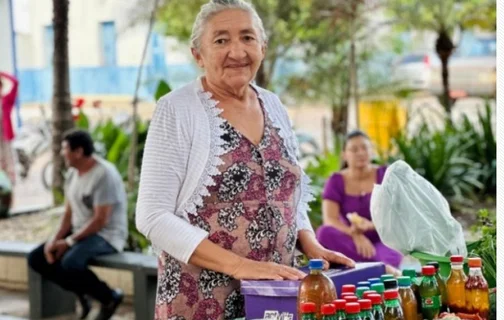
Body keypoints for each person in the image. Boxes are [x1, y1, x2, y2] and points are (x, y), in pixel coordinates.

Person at [135, 1, 354, 319]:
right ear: (198, 55)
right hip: (201, 301)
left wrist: (311, 245)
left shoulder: (273, 104)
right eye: (221, 40)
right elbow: (152, 216)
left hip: (274, 299)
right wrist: (242, 267)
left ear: (262, 47)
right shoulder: (176, 109)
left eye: (247, 38)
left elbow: (285, 195)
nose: (237, 51)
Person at [28, 129, 127, 320]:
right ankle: (84, 294)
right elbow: (68, 212)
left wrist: (69, 242)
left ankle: (109, 297)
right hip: (82, 233)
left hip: (106, 235)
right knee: (37, 258)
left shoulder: (104, 174)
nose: (61, 153)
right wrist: (54, 240)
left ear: (78, 151)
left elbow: (100, 220)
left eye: (65, 149)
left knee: (70, 262)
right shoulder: (73, 174)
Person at [315, 130, 403, 275]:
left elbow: (397, 215)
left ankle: (364, 266)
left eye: (364, 148)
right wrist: (354, 234)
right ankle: (378, 268)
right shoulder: (336, 180)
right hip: (350, 239)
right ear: (344, 155)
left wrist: (370, 226)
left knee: (395, 244)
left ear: (372, 151)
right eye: (354, 149)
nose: (360, 153)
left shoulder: (385, 175)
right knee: (324, 232)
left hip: (383, 238)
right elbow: (330, 219)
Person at [0, 71, 18, 185]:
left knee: (8, 159)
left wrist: (1, 74)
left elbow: (15, 82)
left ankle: (10, 181)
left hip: (5, 135)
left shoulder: (6, 100)